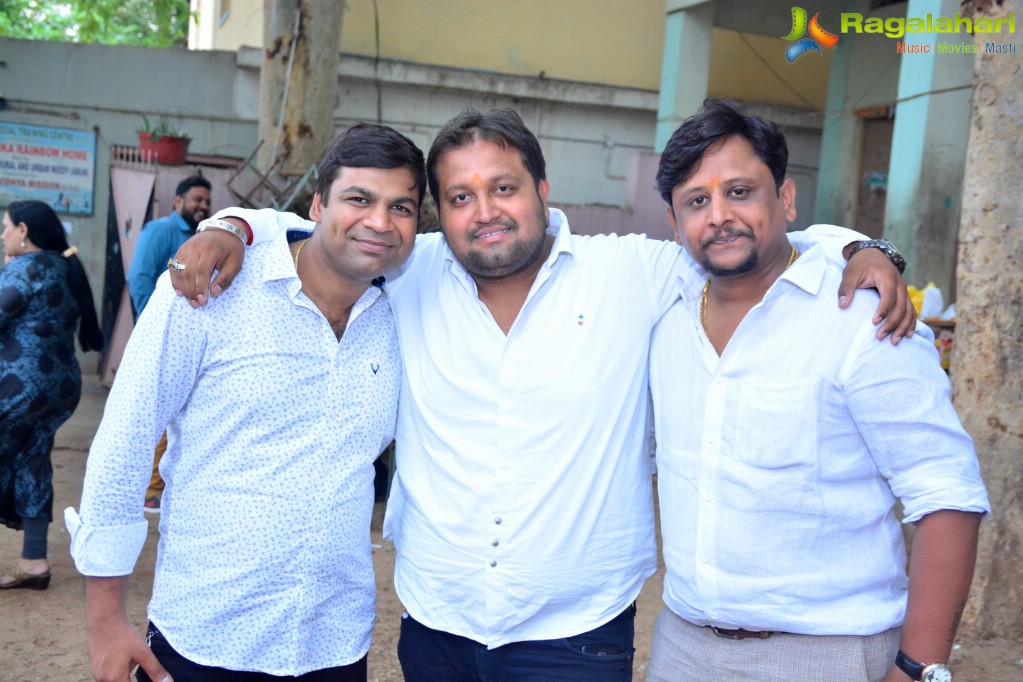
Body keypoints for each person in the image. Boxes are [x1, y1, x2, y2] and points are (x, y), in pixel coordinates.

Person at [168, 108, 915, 682]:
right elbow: (319, 230)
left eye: (502, 188)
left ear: (542, 190)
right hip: (438, 628)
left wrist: (862, 247)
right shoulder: (409, 268)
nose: (484, 211)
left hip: (578, 637)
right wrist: (239, 224)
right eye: (459, 196)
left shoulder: (633, 273)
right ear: (435, 211)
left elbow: (746, 244)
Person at [64, 123, 424, 682]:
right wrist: (105, 620)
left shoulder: (404, 312)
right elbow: (126, 440)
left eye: (400, 206)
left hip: (334, 644)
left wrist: (236, 221)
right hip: (205, 638)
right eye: (359, 198)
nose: (379, 221)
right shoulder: (211, 288)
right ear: (317, 204)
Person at [646, 99, 989, 682]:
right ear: (676, 222)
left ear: (785, 198)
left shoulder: (864, 319)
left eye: (741, 191)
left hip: (827, 653)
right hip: (683, 646)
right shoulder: (662, 309)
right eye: (697, 201)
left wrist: (917, 669)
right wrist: (860, 243)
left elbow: (947, 495)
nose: (720, 215)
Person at [0, 200, 104, 590]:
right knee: (31, 460)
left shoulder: (25, 270)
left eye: (6, 227)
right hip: (59, 387)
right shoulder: (63, 266)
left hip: (18, 385)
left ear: (23, 231)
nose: (2, 234)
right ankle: (34, 562)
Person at [127, 174, 212, 513]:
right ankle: (150, 491)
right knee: (160, 416)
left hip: (191, 344)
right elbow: (140, 278)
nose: (202, 206)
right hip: (163, 339)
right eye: (196, 200)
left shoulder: (204, 237)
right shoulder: (160, 231)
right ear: (177, 201)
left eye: (206, 201)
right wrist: (155, 329)